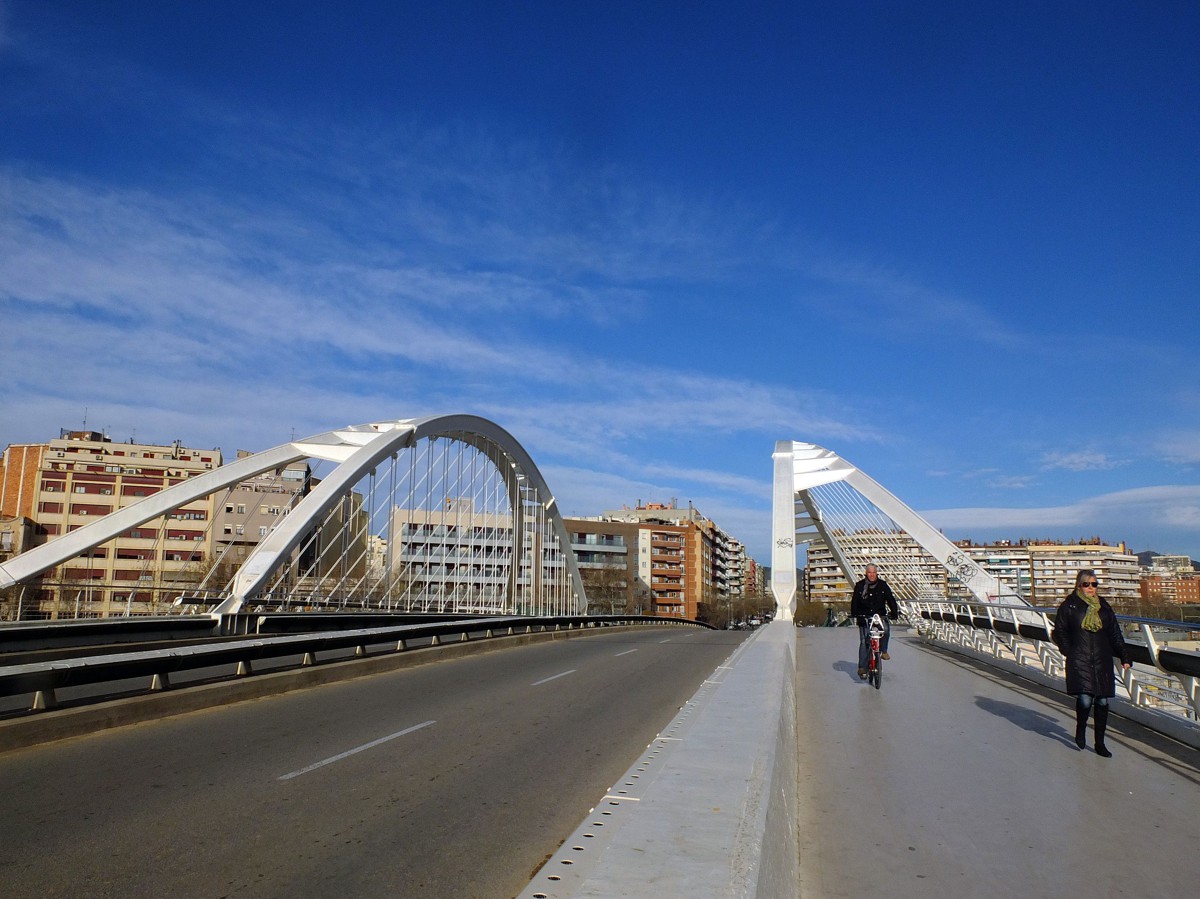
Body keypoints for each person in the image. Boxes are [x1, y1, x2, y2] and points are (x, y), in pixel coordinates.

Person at [1052, 569, 1132, 757]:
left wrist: (1124, 656)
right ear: (1079, 585)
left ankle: (1100, 743)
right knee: (1085, 698)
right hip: (1079, 658)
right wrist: (1068, 650)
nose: (1091, 588)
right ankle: (1081, 729)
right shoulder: (1069, 606)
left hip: (1102, 659)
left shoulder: (1103, 606)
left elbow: (1114, 633)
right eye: (1087, 584)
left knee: (1102, 701)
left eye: (1094, 584)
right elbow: (1060, 631)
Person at [850, 564, 900, 679]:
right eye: (869, 573)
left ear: (876, 573)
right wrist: (856, 614)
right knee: (864, 641)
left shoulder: (883, 585)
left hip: (879, 615)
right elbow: (855, 602)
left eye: (874, 573)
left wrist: (894, 612)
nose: (872, 575)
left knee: (886, 630)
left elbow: (890, 599)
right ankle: (862, 667)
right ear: (866, 573)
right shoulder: (860, 586)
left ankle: (883, 651)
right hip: (865, 616)